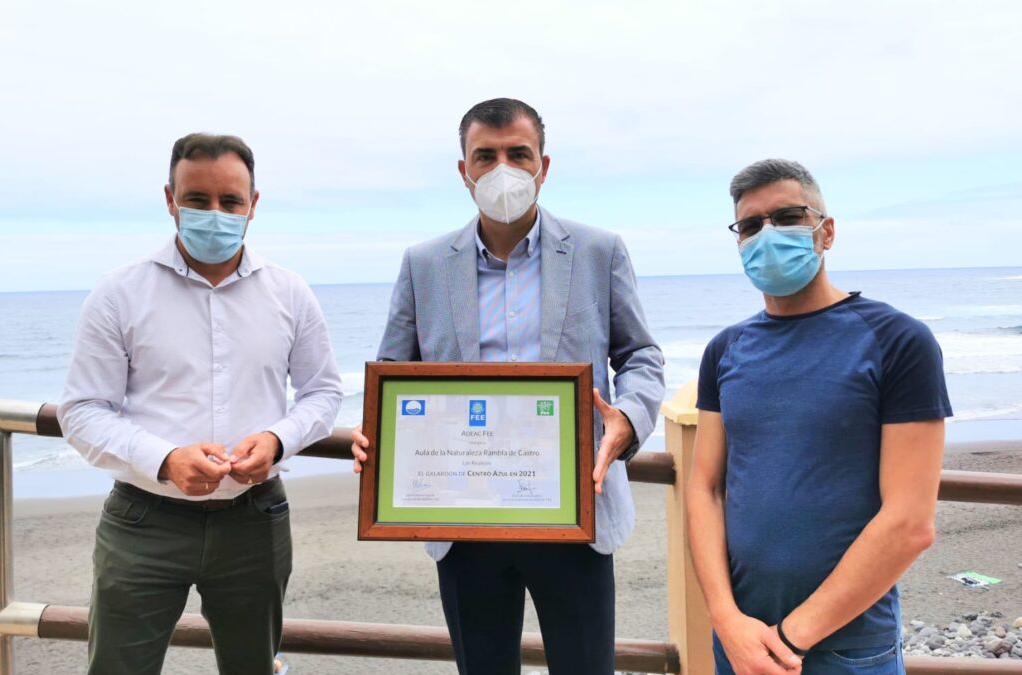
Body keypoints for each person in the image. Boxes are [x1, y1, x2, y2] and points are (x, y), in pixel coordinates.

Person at [351, 98, 664, 674]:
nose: (503, 169)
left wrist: (631, 416)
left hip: (577, 512)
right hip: (461, 516)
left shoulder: (599, 251)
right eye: (485, 155)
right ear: (463, 170)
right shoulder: (423, 263)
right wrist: (376, 437)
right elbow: (393, 371)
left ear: (543, 165)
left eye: (518, 154)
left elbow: (641, 354)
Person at [58, 132, 344, 675]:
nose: (215, 214)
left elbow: (323, 391)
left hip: (255, 519)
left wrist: (278, 439)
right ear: (170, 199)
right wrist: (165, 458)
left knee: (253, 667)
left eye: (230, 201)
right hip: (143, 519)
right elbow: (83, 410)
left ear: (253, 206)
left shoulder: (290, 292)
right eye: (197, 200)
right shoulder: (119, 291)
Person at [687, 159, 952, 675]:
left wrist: (788, 640)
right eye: (749, 225)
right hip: (741, 642)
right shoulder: (725, 350)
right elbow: (704, 487)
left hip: (846, 650)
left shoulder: (898, 341)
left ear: (825, 232)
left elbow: (910, 522)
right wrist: (725, 619)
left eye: (787, 216)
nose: (767, 234)